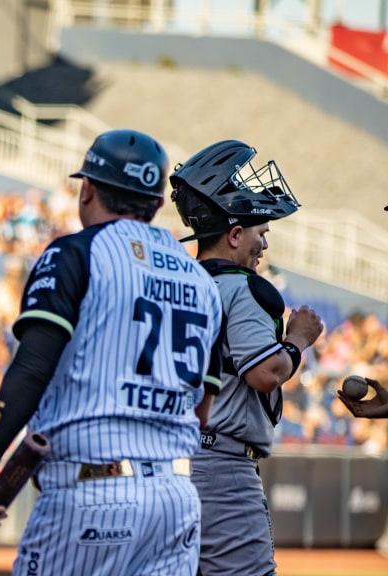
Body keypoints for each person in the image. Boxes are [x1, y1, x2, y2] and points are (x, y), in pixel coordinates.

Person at [0, 129, 224, 575]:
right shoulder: (201, 279)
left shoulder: (76, 253)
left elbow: (33, 367)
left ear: (87, 189)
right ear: (157, 203)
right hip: (175, 500)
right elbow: (202, 413)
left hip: (92, 490)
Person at [170, 139, 325, 576]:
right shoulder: (242, 287)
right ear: (235, 235)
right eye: (260, 233)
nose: (263, 244)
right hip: (220, 466)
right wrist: (298, 339)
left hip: (167, 460)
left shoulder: (178, 282)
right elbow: (265, 373)